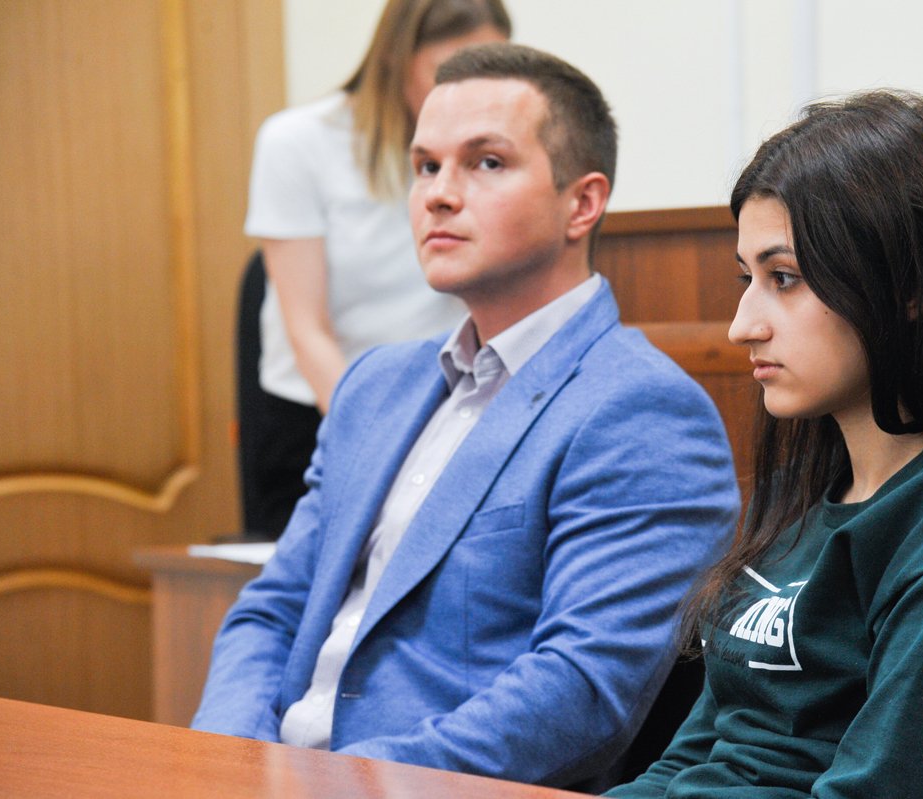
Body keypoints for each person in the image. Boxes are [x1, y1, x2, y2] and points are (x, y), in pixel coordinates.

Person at [193, 43, 740, 792]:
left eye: (486, 162)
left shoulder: (643, 410)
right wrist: (227, 763)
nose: (439, 195)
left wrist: (346, 784)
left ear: (582, 203)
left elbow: (579, 692)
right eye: (425, 166)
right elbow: (272, 610)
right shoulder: (374, 385)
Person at [607, 90, 923, 798]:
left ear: (909, 287)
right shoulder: (803, 495)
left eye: (784, 278)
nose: (742, 325)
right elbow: (687, 763)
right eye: (747, 278)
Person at [241, 0, 511, 536]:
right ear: (394, 60)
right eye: (449, 73)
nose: (470, 97)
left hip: (446, 402)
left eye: (491, 74)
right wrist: (377, 440)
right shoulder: (298, 142)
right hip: (321, 413)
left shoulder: (495, 154)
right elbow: (306, 329)